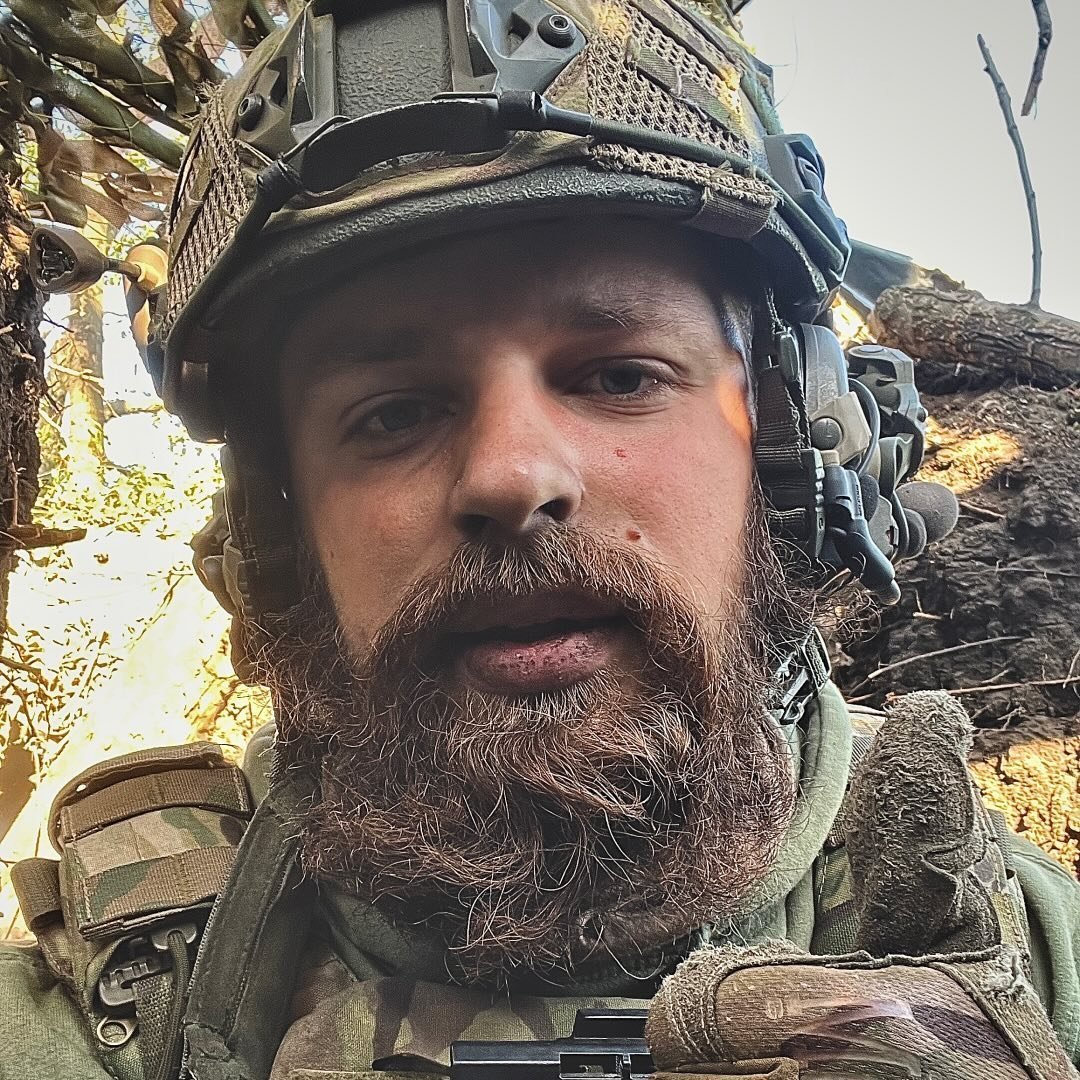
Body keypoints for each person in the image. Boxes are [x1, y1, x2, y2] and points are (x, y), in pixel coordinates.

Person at [4, 0, 1080, 1077]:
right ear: (277, 532)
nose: (512, 476)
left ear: (788, 448)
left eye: (620, 375)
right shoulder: (94, 1022)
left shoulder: (1038, 963)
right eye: (392, 413)